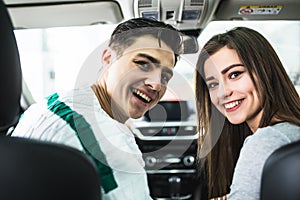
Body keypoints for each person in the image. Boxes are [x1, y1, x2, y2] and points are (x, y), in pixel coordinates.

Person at [12, 17, 184, 200]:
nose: (156, 85)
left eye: (165, 77)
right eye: (143, 64)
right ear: (108, 58)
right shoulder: (111, 147)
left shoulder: (52, 104)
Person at [194, 27, 300, 200]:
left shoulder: (266, 141)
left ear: (264, 71)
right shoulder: (291, 130)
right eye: (213, 84)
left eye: (234, 74)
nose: (223, 92)